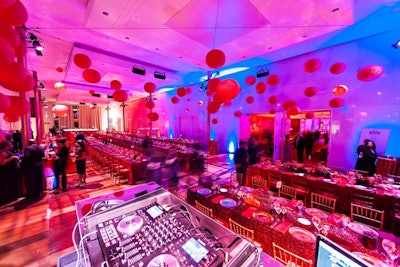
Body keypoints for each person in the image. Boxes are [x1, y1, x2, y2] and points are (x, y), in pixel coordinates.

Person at [0, 141, 20, 205]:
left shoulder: (8, 152)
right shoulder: (3, 153)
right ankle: (7, 199)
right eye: (10, 144)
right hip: (6, 173)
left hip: (11, 171)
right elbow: (2, 162)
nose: (12, 145)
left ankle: (12, 197)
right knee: (7, 185)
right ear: (6, 146)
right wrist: (12, 157)